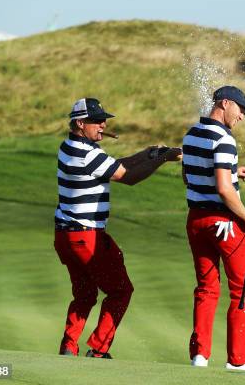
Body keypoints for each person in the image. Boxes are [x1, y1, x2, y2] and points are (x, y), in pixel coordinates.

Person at [54, 98, 181, 358]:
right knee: (121, 291)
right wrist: (164, 158)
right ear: (80, 123)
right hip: (87, 236)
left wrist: (147, 154)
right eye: (97, 121)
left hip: (64, 236)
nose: (103, 125)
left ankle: (69, 345)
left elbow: (114, 165)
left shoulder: (69, 146)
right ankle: (98, 349)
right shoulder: (88, 154)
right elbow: (128, 177)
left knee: (85, 294)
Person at [182, 86, 245, 371]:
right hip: (225, 224)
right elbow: (225, 190)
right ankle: (237, 362)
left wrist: (231, 169)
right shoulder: (225, 139)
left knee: (206, 287)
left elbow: (189, 176)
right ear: (225, 103)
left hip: (197, 221)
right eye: (241, 109)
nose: (242, 116)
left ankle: (199, 356)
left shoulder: (191, 134)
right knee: (242, 290)